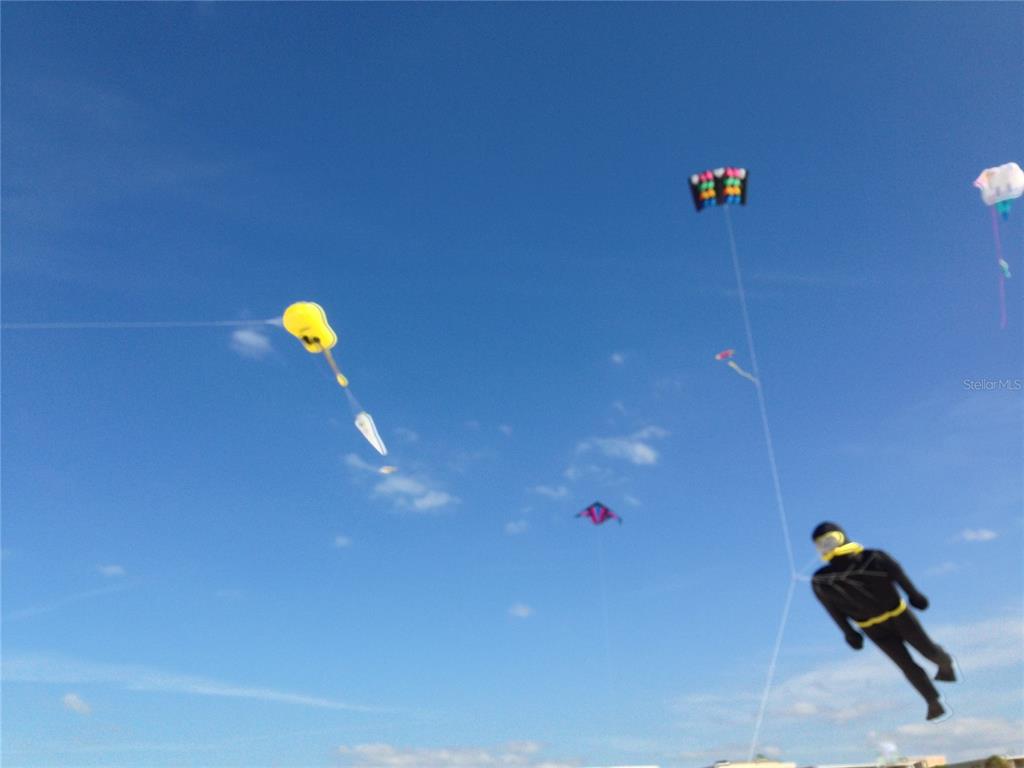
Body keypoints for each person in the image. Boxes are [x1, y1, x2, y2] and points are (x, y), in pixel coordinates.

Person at [810, 522, 957, 721]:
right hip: (872, 628)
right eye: (820, 544)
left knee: (927, 650)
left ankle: (945, 664)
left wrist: (914, 595)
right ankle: (932, 701)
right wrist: (848, 632)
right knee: (905, 665)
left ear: (841, 537)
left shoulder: (874, 557)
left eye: (830, 540)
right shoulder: (822, 580)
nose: (826, 546)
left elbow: (898, 574)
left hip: (899, 615)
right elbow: (832, 609)